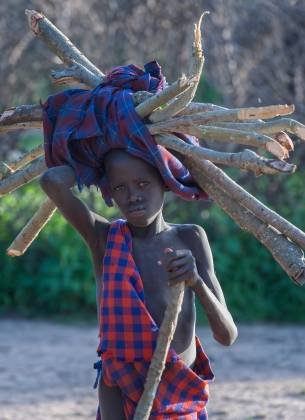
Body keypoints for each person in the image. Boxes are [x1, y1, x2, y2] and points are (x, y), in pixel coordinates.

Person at [40, 148, 238, 419]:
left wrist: (196, 282)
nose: (132, 195)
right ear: (108, 191)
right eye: (119, 187)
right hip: (120, 393)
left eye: (143, 183)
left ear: (165, 183)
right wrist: (98, 159)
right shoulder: (104, 239)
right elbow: (51, 181)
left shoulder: (190, 238)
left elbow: (227, 335)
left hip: (177, 392)